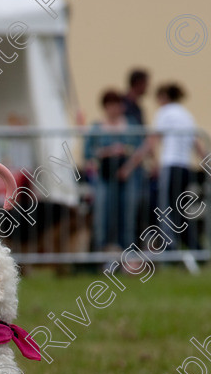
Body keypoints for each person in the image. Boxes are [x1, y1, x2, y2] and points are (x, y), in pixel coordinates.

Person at [119, 83, 206, 249]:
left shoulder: (165, 113)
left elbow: (151, 141)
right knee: (178, 210)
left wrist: (130, 166)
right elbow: (197, 143)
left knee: (165, 210)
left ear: (164, 97)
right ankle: (194, 248)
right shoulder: (186, 115)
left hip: (170, 166)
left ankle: (172, 249)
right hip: (185, 168)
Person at [84, 90, 139, 251]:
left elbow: (139, 150)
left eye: (116, 105)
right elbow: (88, 153)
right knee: (103, 217)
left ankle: (127, 253)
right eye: (110, 105)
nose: (113, 109)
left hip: (127, 177)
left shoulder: (131, 125)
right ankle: (102, 253)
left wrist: (127, 166)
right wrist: (107, 152)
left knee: (127, 217)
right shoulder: (97, 127)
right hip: (104, 177)